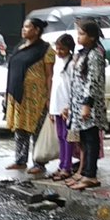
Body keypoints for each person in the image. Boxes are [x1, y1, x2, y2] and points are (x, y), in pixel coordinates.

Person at [4, 17, 56, 174]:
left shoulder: (46, 50)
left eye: (27, 27)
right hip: (19, 96)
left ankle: (39, 163)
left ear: (37, 30)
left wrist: (49, 97)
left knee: (36, 129)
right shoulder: (20, 47)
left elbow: (49, 75)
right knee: (20, 128)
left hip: (36, 97)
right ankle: (20, 160)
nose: (23, 30)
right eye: (23, 26)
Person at [65, 21, 108, 191]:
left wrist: (87, 104)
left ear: (92, 36)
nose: (78, 37)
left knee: (91, 139)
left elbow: (93, 81)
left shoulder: (95, 54)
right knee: (84, 139)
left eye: (82, 34)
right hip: (78, 103)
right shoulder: (84, 53)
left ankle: (91, 175)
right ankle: (85, 173)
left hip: (89, 104)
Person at [48, 34, 76, 181]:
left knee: (67, 136)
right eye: (57, 48)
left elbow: (72, 87)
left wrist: (69, 106)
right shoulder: (58, 62)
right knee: (60, 136)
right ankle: (62, 164)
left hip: (66, 105)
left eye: (62, 49)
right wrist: (51, 109)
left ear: (69, 49)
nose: (59, 52)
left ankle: (67, 166)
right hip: (56, 104)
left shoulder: (72, 64)